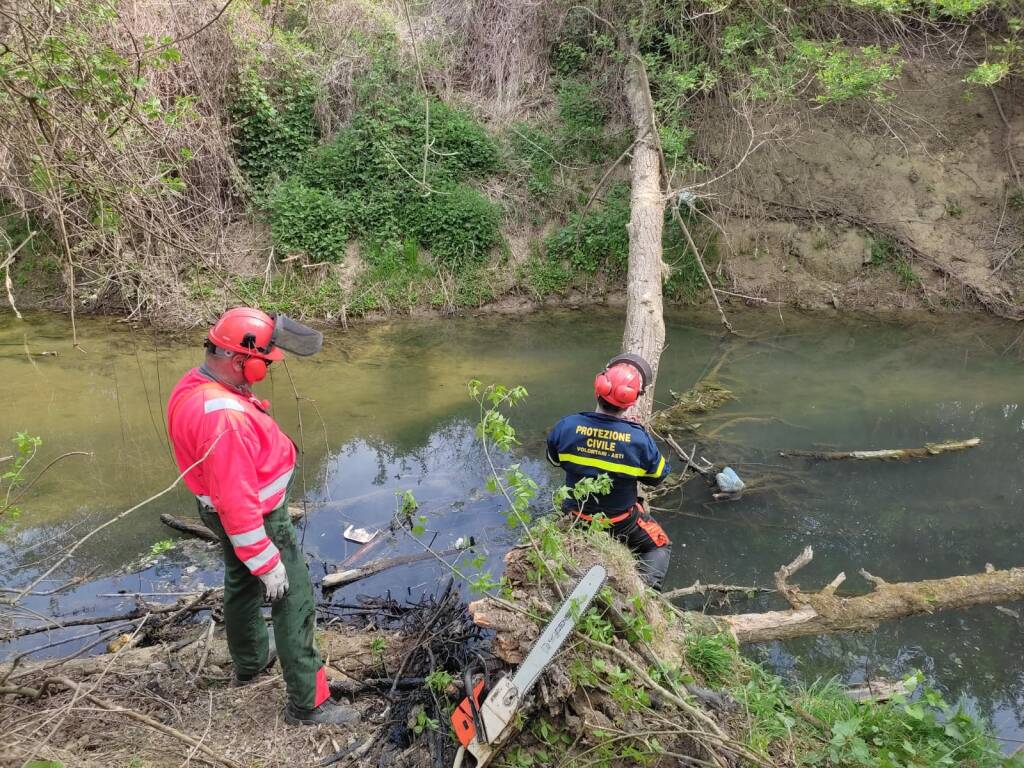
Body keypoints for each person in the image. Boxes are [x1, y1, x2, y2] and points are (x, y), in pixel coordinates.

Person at [166, 307, 357, 726]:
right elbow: (238, 502)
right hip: (256, 517)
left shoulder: (197, 383)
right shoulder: (227, 421)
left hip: (216, 507)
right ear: (241, 361)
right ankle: (308, 703)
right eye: (265, 362)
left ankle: (251, 662)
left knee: (240, 581)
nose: (268, 367)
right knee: (294, 599)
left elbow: (228, 491)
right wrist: (267, 562)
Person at [546, 353, 673, 590]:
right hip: (620, 521)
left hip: (576, 514)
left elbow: (554, 461)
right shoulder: (638, 439)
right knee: (660, 546)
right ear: (633, 401)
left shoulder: (566, 426)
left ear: (597, 390)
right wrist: (634, 432)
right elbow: (657, 477)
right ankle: (645, 594)